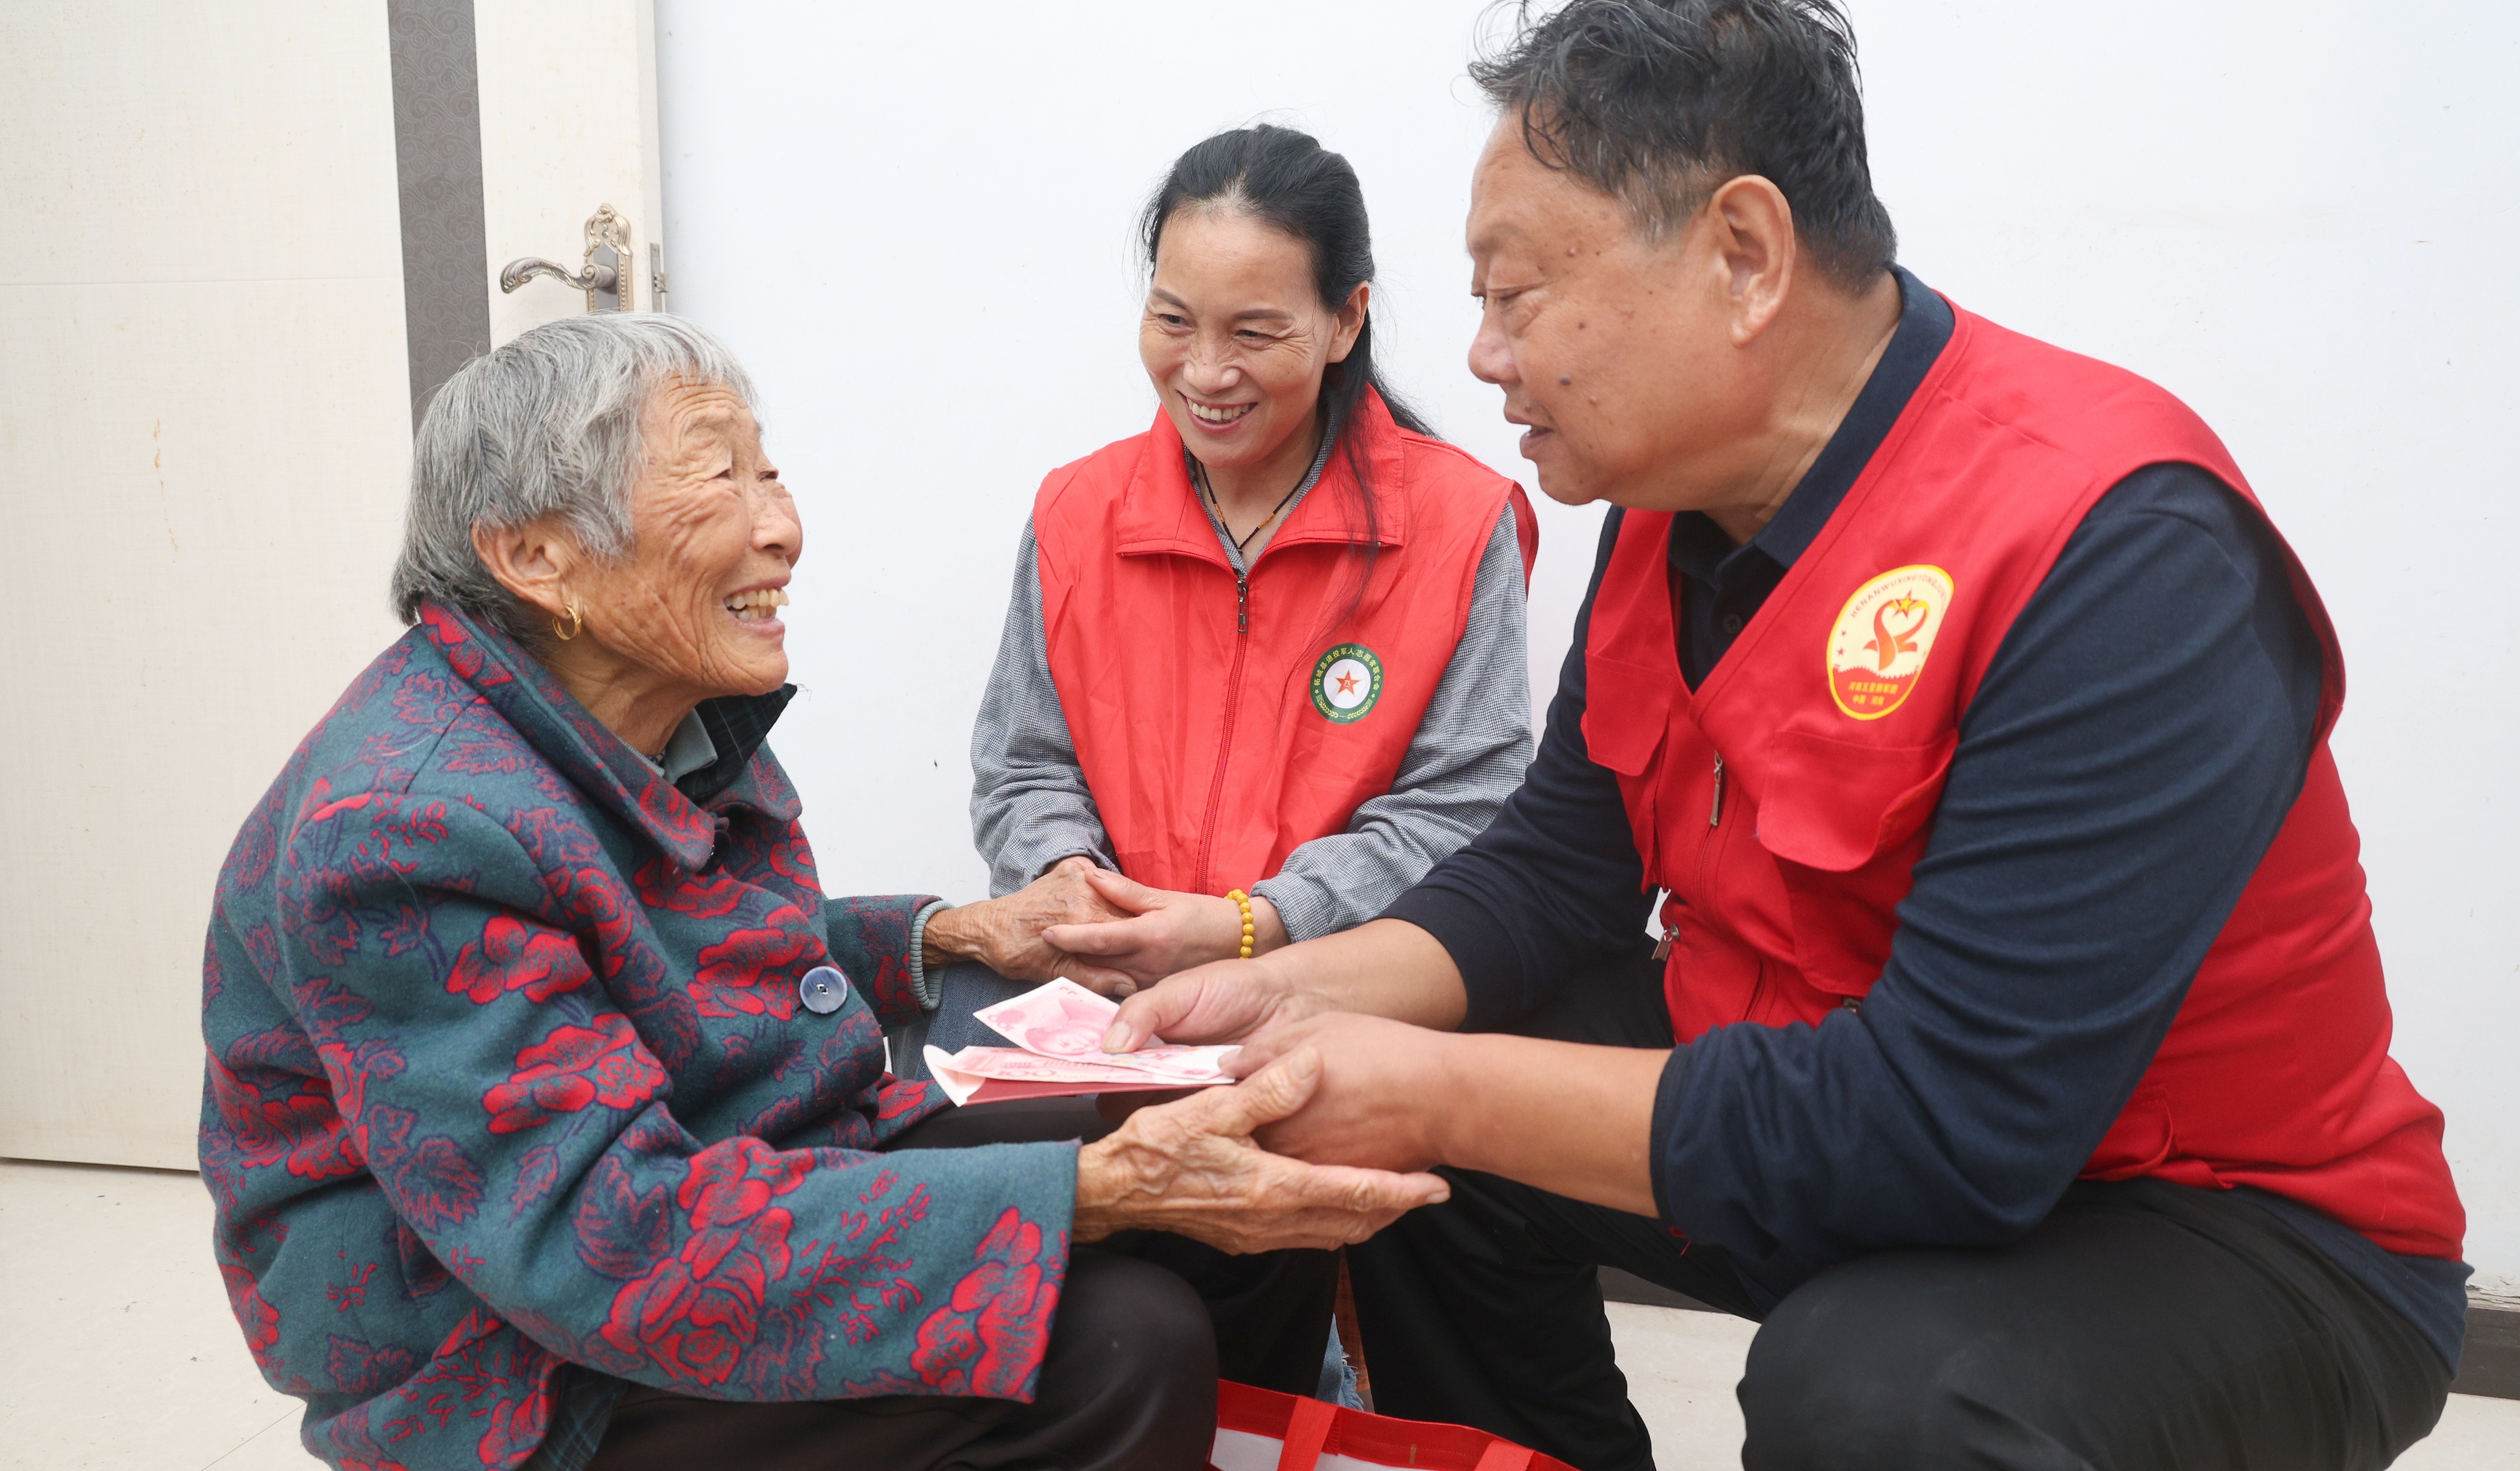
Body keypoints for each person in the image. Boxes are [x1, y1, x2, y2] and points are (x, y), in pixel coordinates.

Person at [1104, 4, 2471, 1469]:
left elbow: (1949, 1127)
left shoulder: (2114, 547)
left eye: (1512, 297)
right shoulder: (1668, 498)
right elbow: (1553, 874)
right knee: (1409, 1126)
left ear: (1741, 256)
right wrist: (1271, 991)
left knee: (1880, 1391)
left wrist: (1422, 1081)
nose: (1485, 358)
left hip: (2206, 1221)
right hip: (1803, 1082)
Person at [197, 315, 1445, 1471]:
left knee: (1239, 1145)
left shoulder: (644, 701)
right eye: (715, 476)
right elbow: (598, 1242)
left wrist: (947, 933)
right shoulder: (408, 827)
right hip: (513, 1357)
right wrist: (1097, 1195)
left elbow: (661, 956)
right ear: (536, 556)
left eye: (768, 471)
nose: (781, 526)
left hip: (723, 1160)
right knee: (1121, 1344)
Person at [900, 125, 1548, 1397]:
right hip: (1095, 992)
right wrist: (1076, 893)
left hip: (1324, 982)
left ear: (1346, 319)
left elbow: (1466, 807)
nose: (1203, 374)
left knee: (1259, 1215)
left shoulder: (1460, 523)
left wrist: (1251, 926)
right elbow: (1022, 761)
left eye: (1253, 332)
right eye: (1171, 321)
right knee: (967, 1167)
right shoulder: (1079, 510)